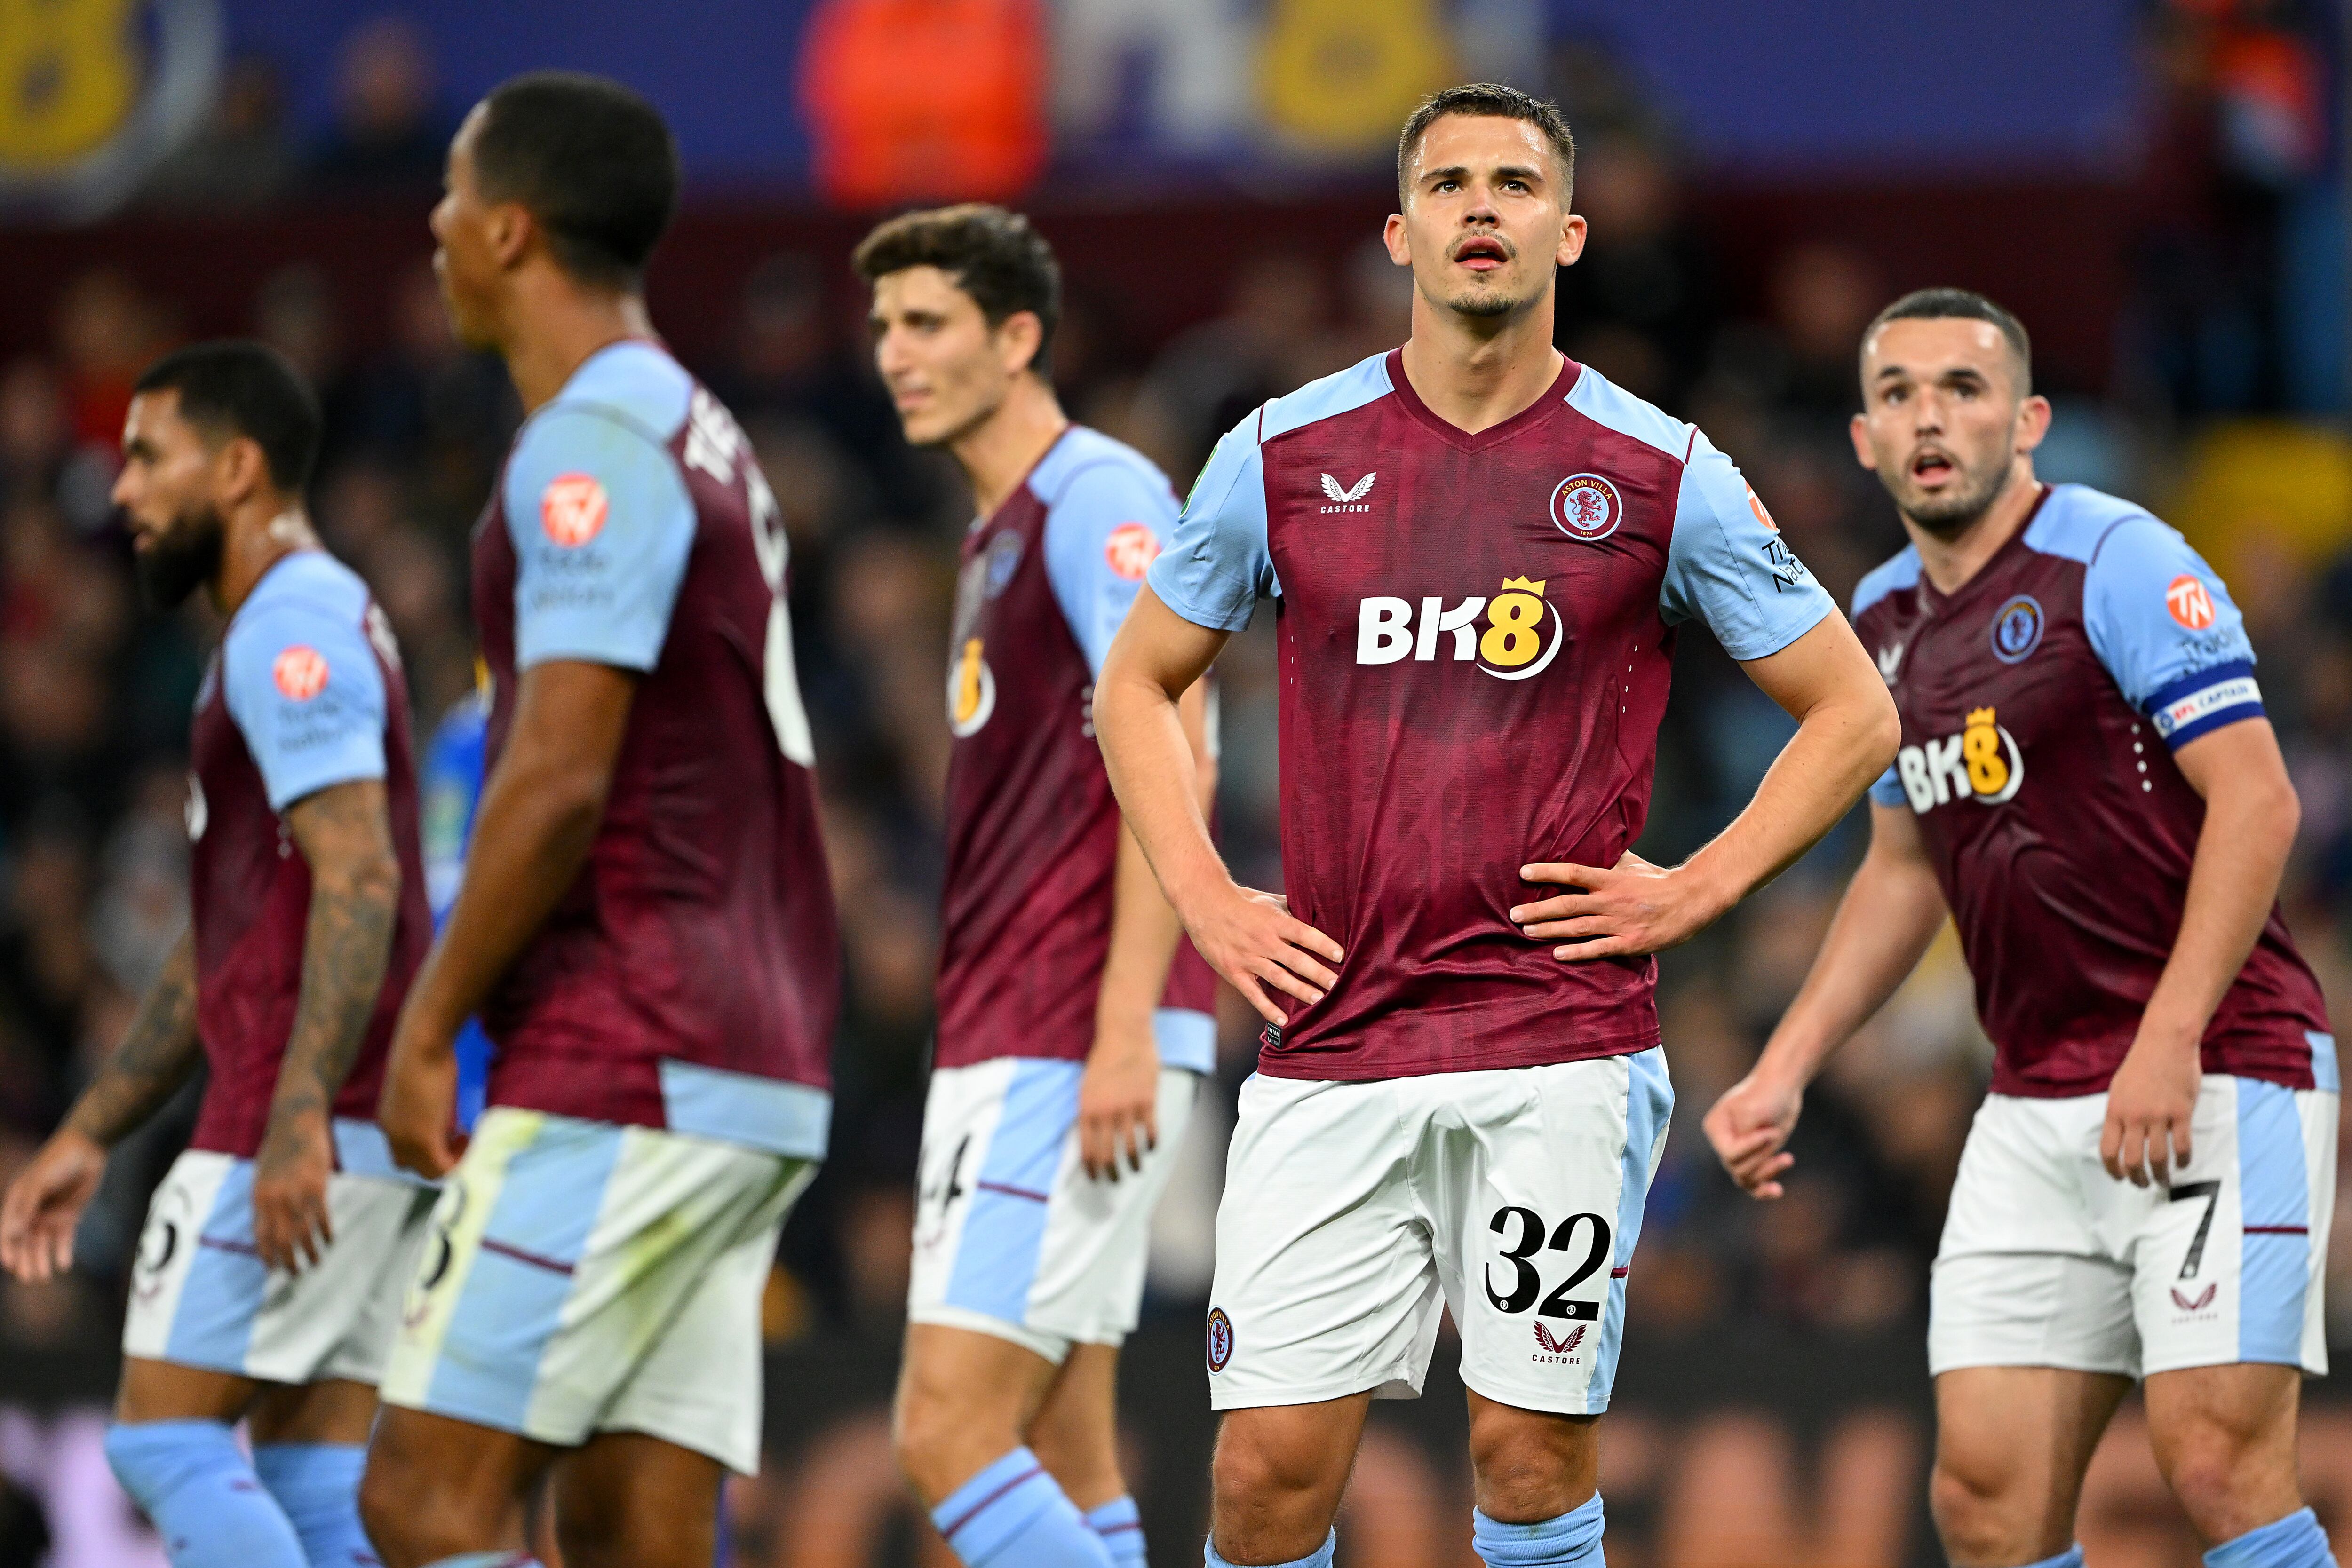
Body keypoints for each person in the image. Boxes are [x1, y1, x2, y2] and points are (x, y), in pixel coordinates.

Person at [1093, 83, 1900, 1568]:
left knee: (1526, 1462)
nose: (1482, 207)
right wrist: (1205, 899)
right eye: (1450, 183)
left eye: (1516, 185)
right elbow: (1137, 684)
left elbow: (1856, 713)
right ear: (1398, 232)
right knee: (1266, 1477)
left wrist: (1697, 887)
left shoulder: (1663, 470)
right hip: (1335, 1029)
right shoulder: (1278, 453)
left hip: (1562, 1044)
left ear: (1570, 232)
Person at [1705, 290, 2339, 1568]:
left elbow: (2259, 802)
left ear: (2030, 421)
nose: (1932, 417)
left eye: (1965, 388)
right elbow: (1900, 868)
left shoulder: (2121, 561)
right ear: (1866, 439)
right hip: (2036, 1100)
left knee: (2218, 1463)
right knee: (1985, 1502)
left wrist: (2170, 1036)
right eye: (1900, 395)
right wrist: (1788, 1064)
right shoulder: (1876, 626)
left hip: (2220, 1068)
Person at [355, 72, 840, 1568]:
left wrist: (429, 1025)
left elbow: (562, 773)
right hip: (746, 1055)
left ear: (507, 231)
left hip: (627, 1051)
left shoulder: (590, 447)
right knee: (636, 1534)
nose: (429, 230)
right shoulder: (699, 433)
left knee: (423, 1502)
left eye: (447, 196)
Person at [0, 340, 434, 1568]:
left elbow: (362, 873)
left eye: (149, 458)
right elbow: (221, 943)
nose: (122, 492)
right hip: (339, 1118)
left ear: (238, 470)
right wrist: (92, 1127)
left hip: (293, 1116)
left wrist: (295, 1113)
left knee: (161, 1446)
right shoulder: (294, 622)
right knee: (311, 1476)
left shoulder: (287, 627)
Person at [855, 204, 1218, 1568]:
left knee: (946, 1438)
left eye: (929, 323)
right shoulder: (999, 530)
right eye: (886, 327)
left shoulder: (1098, 498)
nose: (897, 354)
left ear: (1018, 338)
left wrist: (1124, 1019)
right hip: (1028, 1019)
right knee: (1066, 1447)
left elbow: (1178, 750)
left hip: (1069, 1026)